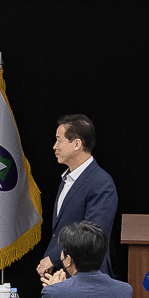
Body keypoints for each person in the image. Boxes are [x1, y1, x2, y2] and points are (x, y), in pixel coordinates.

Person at [37, 114, 118, 284]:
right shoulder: (67, 179)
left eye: (59, 140)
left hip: (88, 279)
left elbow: (93, 235)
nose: (54, 146)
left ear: (77, 144)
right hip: (62, 276)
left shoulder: (101, 183)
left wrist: (53, 257)